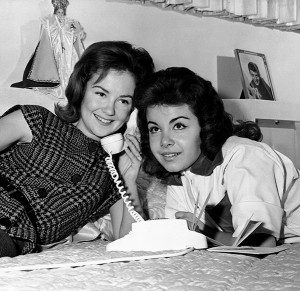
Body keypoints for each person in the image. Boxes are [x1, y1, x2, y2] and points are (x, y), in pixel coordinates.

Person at [0, 41, 154, 257]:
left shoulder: (112, 175)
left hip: (12, 242)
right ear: (81, 89)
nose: (109, 109)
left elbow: (130, 244)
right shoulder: (36, 120)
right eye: (101, 93)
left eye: (124, 101)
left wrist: (129, 180)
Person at [135, 67, 300, 247]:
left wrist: (204, 233)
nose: (164, 141)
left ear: (206, 126)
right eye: (155, 129)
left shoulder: (245, 156)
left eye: (179, 126)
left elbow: (261, 242)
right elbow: (182, 236)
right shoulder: (180, 171)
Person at [11, 0, 86, 99]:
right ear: (55, 12)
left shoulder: (69, 22)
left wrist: (76, 32)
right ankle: (57, 85)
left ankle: (70, 86)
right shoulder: (49, 22)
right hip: (55, 49)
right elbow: (46, 36)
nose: (60, 14)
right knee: (57, 66)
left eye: (62, 12)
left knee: (70, 66)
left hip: (67, 50)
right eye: (58, 12)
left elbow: (77, 34)